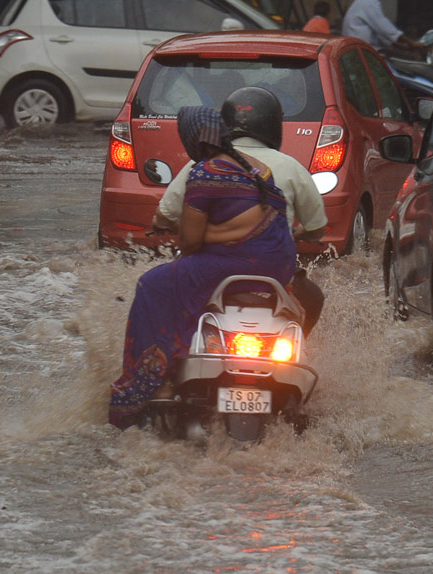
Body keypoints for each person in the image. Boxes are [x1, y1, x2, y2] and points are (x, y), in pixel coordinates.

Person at [108, 106, 298, 429]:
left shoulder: (205, 173)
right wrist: (227, 234)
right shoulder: (259, 168)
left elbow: (191, 243)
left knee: (152, 285)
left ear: (191, 140)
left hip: (231, 266)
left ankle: (154, 382)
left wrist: (206, 233)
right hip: (279, 268)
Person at [155, 87, 328, 335]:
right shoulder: (292, 167)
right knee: (313, 298)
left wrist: (181, 227)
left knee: (164, 299)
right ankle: (296, 352)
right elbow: (316, 226)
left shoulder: (202, 165)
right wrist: (299, 234)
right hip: (273, 272)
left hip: (208, 272)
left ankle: (169, 359)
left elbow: (166, 215)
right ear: (273, 124)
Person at [341, 0, 427, 55]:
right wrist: (411, 43)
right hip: (361, 52)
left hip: (361, 49)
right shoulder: (368, 2)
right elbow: (385, 28)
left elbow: (379, 32)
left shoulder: (364, 0)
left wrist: (400, 46)